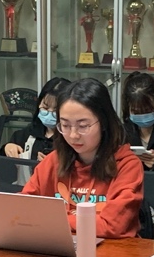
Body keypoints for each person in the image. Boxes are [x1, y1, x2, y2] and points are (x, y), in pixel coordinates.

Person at [20, 77, 144, 239]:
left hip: (110, 250)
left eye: (83, 126)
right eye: (65, 125)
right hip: (59, 245)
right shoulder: (54, 161)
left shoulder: (127, 165)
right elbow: (23, 208)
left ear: (104, 122)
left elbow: (112, 225)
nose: (73, 135)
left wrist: (51, 220)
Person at [3, 77, 68, 160]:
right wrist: (7, 147)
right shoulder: (28, 133)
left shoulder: (71, 140)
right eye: (45, 107)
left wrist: (53, 164)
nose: (49, 113)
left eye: (56, 110)